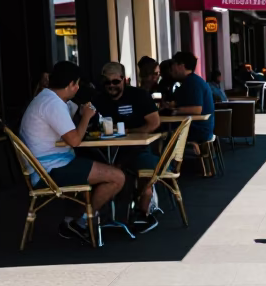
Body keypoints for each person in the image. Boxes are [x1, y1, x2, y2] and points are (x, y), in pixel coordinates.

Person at [19, 60, 126, 244]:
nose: (77, 88)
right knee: (118, 177)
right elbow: (75, 140)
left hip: (47, 165)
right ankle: (82, 222)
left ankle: (72, 221)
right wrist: (86, 116)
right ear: (70, 84)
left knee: (99, 166)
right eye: (76, 84)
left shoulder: (46, 99)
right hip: (51, 170)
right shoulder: (53, 103)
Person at [94, 61, 161, 232]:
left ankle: (143, 212)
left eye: (115, 81)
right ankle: (94, 217)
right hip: (107, 150)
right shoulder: (98, 99)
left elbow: (154, 123)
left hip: (138, 148)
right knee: (100, 168)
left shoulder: (138, 95)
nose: (111, 86)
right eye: (107, 82)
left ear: (124, 79)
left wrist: (131, 131)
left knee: (145, 168)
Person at [166, 51, 214, 147]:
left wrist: (174, 112)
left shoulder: (192, 82)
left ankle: (166, 161)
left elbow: (196, 110)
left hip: (198, 130)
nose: (171, 68)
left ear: (181, 66)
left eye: (173, 64)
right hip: (201, 128)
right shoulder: (192, 81)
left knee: (163, 134)